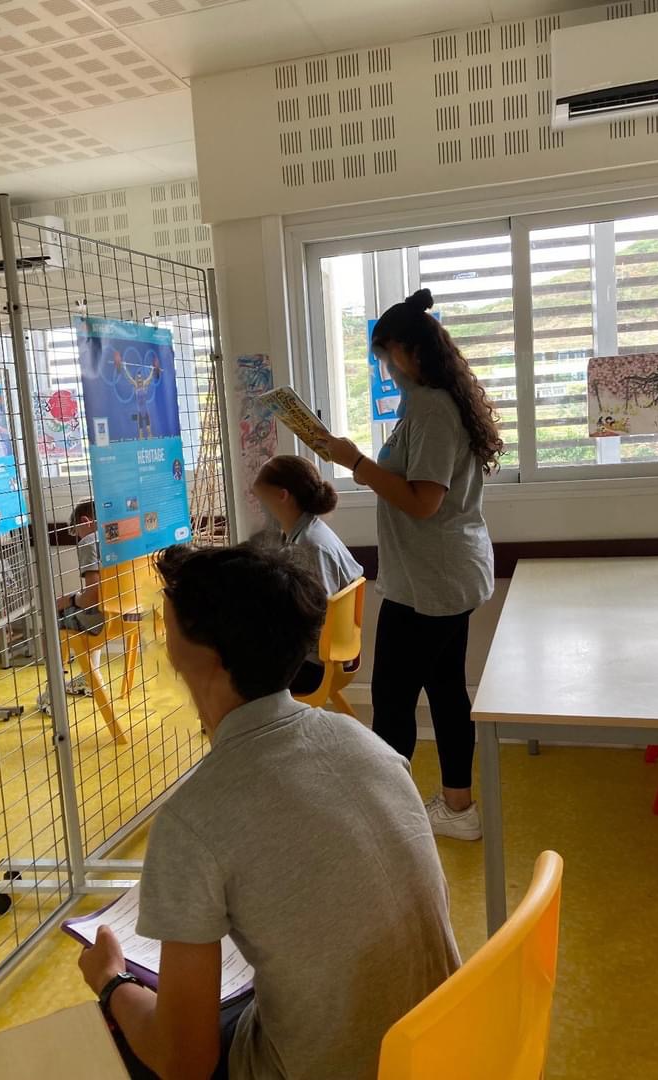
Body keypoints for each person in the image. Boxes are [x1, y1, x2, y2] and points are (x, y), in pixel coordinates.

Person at [77, 541, 460, 1080]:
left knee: (121, 1031)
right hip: (446, 1049)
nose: (162, 642)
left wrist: (111, 979)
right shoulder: (364, 742)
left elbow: (185, 1062)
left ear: (206, 655)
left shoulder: (192, 820)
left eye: (168, 627)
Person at [320, 288, 503, 842]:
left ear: (409, 350)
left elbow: (424, 501)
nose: (386, 367)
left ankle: (390, 820)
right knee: (445, 692)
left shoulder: (431, 408)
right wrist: (360, 463)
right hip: (442, 576)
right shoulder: (432, 402)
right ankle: (458, 808)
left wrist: (355, 461)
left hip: (430, 584)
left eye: (387, 355)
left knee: (394, 703)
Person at [253, 454, 363, 695]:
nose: (260, 508)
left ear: (282, 496)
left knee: (233, 672)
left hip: (316, 666)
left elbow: (315, 619)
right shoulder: (311, 532)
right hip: (326, 656)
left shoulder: (309, 546)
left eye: (261, 499)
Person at [38, 498, 104, 712]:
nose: (78, 538)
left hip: (104, 620)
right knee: (74, 607)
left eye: (77, 533)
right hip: (133, 614)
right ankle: (89, 676)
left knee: (51, 618)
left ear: (85, 522)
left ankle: (53, 690)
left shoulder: (90, 541)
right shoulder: (122, 535)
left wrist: (70, 599)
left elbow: (93, 597)